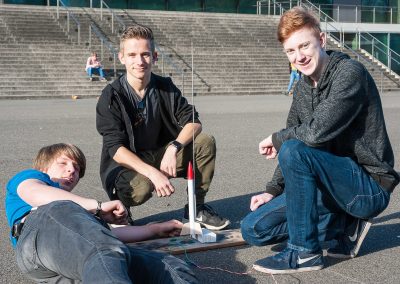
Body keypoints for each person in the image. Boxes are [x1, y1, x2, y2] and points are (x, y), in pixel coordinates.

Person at [241, 6, 399, 274]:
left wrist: (277, 139)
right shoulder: (303, 86)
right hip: (330, 184)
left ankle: (305, 253)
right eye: (291, 51)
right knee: (254, 228)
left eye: (304, 46)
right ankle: (341, 225)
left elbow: (312, 134)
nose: (299, 57)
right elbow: (294, 134)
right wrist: (272, 190)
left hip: (367, 186)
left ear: (322, 41)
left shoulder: (350, 73)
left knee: (293, 147)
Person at [96, 25, 230, 230]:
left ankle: (197, 209)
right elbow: (115, 149)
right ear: (121, 57)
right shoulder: (111, 96)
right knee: (138, 189)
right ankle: (121, 210)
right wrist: (152, 173)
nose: (139, 61)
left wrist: (174, 147)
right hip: (126, 164)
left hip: (161, 153)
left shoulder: (165, 87)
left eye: (145, 54)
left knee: (204, 142)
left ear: (155, 56)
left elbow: (194, 121)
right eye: (132, 55)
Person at [5, 143, 198, 283]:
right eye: (63, 163)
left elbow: (107, 236)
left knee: (171, 267)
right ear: (43, 168)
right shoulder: (33, 177)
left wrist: (155, 229)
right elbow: (34, 193)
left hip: (72, 260)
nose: (72, 170)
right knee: (104, 249)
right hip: (35, 241)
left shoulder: (76, 211)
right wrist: (97, 206)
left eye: (77, 168)